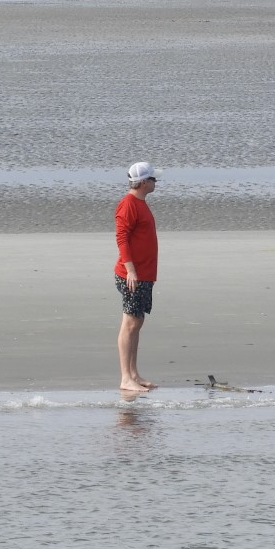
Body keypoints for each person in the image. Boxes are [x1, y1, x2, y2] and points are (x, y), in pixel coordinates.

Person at [114, 161, 159, 395]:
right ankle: (125, 377)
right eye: (152, 179)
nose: (155, 182)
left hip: (144, 275)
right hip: (132, 275)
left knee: (137, 322)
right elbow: (121, 238)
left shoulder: (141, 203)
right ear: (143, 183)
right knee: (130, 323)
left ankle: (134, 374)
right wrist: (131, 271)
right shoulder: (128, 204)